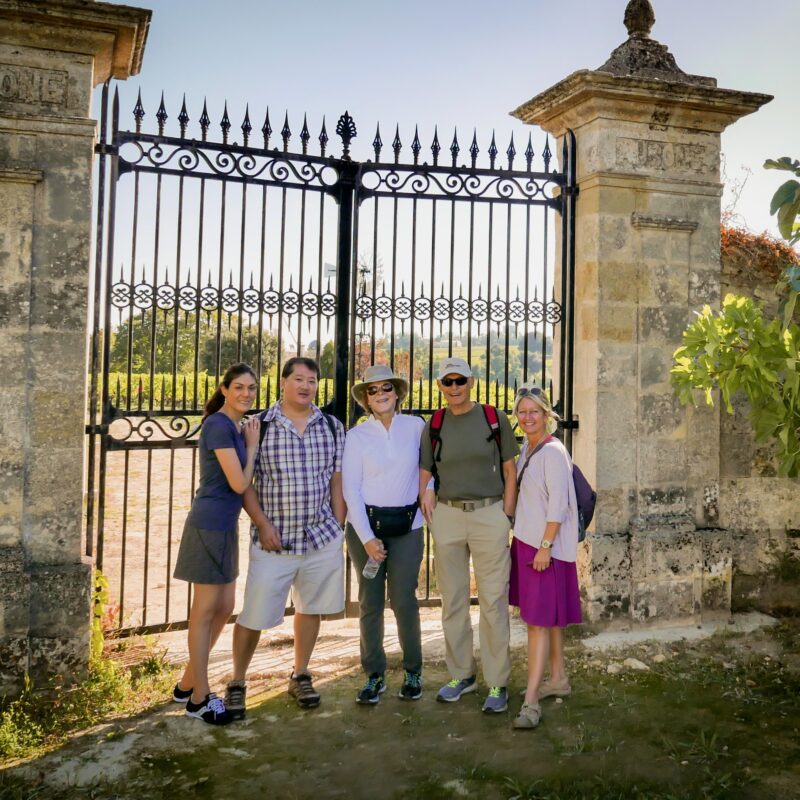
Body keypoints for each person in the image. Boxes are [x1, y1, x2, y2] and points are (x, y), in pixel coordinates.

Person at [226, 357, 346, 717]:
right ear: (283, 382)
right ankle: (237, 680)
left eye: (311, 380)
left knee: (310, 609)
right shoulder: (257, 425)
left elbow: (336, 479)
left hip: (320, 536)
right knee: (254, 614)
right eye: (298, 379)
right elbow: (246, 483)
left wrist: (338, 526)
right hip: (273, 539)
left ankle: (301, 673)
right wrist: (262, 524)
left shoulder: (332, 426)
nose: (305, 386)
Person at [419, 357, 519, 713]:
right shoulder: (436, 422)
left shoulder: (494, 418)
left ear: (472, 382)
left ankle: (497, 682)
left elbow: (510, 470)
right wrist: (426, 498)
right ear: (440, 386)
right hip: (448, 516)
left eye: (460, 380)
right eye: (448, 381)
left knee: (492, 601)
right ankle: (462, 675)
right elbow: (425, 469)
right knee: (453, 600)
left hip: (489, 514)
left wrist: (506, 514)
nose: (455, 387)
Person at [172, 363, 260, 725]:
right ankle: (200, 698)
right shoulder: (219, 425)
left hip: (225, 526)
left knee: (224, 606)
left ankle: (186, 683)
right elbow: (239, 484)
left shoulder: (234, 426)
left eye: (251, 388)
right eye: (238, 387)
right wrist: (253, 446)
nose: (245, 394)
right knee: (205, 611)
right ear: (224, 390)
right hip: (208, 525)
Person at [343, 365, 426, 704]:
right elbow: (351, 489)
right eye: (373, 390)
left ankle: (413, 670)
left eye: (386, 388)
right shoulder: (357, 436)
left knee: (404, 600)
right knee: (370, 603)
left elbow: (427, 471)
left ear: (397, 392)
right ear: (366, 398)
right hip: (366, 529)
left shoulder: (416, 427)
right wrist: (366, 538)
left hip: (408, 526)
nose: (380, 395)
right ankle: (374, 675)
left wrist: (429, 493)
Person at [510, 384, 582, 730]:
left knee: (537, 622)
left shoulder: (553, 453)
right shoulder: (528, 447)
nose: (527, 417)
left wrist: (545, 546)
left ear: (546, 415)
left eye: (534, 412)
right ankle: (558, 678)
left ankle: (532, 699)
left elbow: (559, 505)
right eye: (522, 412)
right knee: (547, 618)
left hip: (544, 546)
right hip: (528, 542)